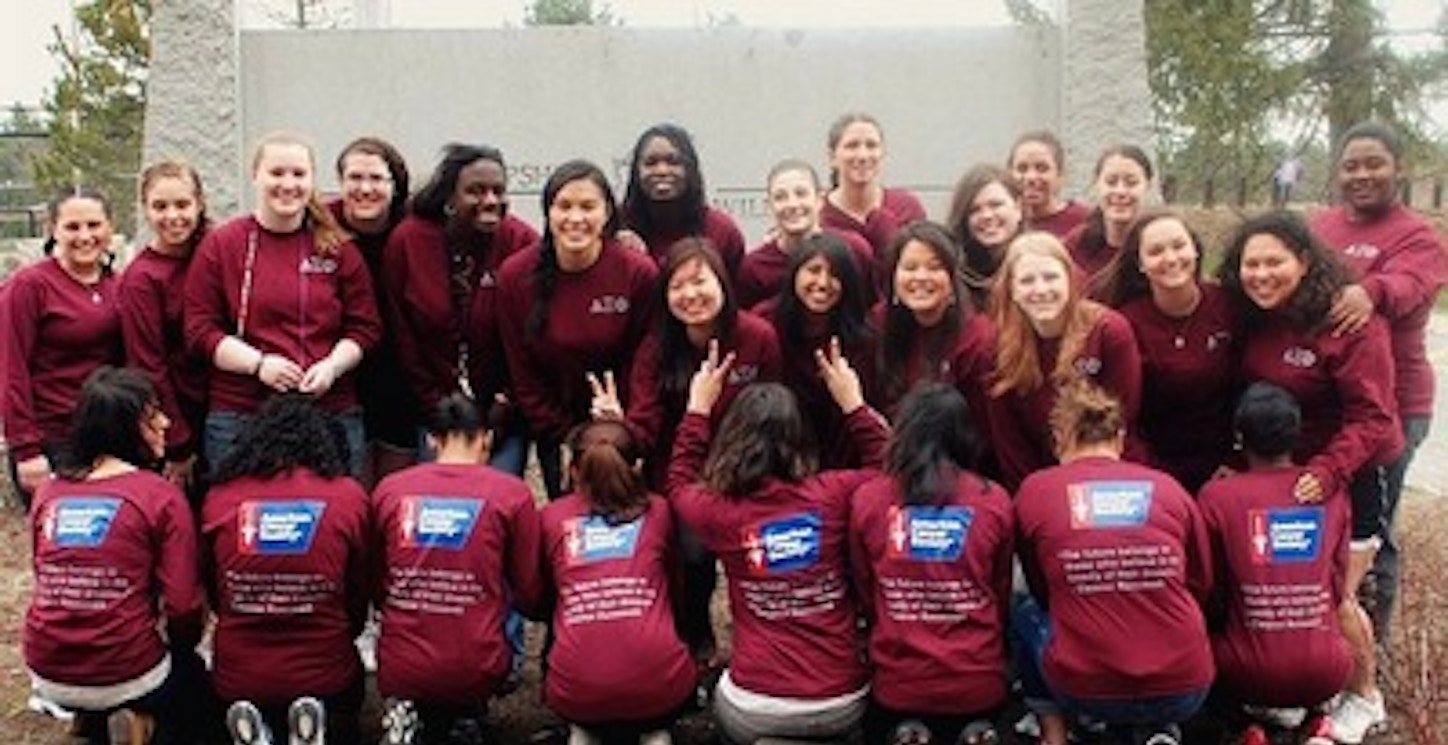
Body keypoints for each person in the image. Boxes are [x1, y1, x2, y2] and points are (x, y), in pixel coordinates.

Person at [1216, 211, 1402, 745]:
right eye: (1250, 264)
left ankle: (1365, 696)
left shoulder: (1346, 320)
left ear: (1304, 260)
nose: (1261, 274)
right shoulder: (1256, 316)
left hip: (1351, 473)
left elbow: (1374, 418)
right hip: (1284, 476)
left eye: (1274, 261)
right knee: (1290, 589)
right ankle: (1306, 699)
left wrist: (1327, 471)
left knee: (1335, 593)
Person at [664, 345, 888, 745]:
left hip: (756, 708)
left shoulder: (718, 512)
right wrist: (852, 403)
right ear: (801, 437)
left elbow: (678, 480)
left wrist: (698, 408)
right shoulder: (834, 494)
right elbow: (886, 464)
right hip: (843, 701)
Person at [594, 238, 780, 669]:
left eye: (700, 281)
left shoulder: (757, 337)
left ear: (723, 284)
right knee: (692, 556)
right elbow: (645, 426)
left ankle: (764, 645)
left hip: (746, 467)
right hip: (680, 472)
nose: (691, 294)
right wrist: (618, 424)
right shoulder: (656, 349)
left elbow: (774, 407)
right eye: (677, 286)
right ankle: (695, 638)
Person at [1013, 380, 1212, 745]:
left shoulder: (1035, 490)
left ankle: (1054, 735)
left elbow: (1040, 587)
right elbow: (1199, 582)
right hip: (1186, 687)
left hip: (1087, 689)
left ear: (1060, 437)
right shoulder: (1169, 489)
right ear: (1120, 437)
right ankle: (1158, 730)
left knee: (1025, 610)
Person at [1309, 120, 1448, 638]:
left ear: (1398, 169)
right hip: (1329, 399)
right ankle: (1323, 631)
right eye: (1351, 166)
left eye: (1374, 164)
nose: (1361, 174)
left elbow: (1413, 284)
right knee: (1331, 520)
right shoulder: (1321, 228)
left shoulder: (1417, 236)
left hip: (1394, 405)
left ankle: (1375, 645)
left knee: (1374, 529)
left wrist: (1372, 291)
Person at [24, 367, 205, 745]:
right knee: (194, 679)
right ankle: (141, 722)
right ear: (126, 428)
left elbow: (44, 573)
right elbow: (183, 603)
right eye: (153, 414)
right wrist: (180, 645)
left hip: (46, 668)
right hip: (127, 669)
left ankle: (92, 720)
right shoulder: (160, 495)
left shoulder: (49, 492)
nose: (166, 421)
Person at [184, 132, 382, 475]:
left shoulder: (338, 248)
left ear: (312, 180)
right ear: (255, 175)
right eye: (276, 173)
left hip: (330, 410)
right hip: (242, 412)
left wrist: (332, 366)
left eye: (298, 174)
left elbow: (365, 327)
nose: (288, 184)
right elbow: (200, 329)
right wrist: (257, 364)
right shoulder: (222, 245)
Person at [371, 393, 543, 745]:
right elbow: (529, 591)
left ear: (432, 440)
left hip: (401, 665)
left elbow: (377, 583)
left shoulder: (390, 491)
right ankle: (464, 717)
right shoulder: (511, 494)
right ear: (488, 438)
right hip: (479, 664)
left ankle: (410, 711)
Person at [848, 383, 1013, 745]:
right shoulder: (994, 501)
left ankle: (911, 733)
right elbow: (999, 593)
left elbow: (865, 589)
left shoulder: (868, 500)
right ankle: (975, 732)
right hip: (978, 684)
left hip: (897, 685)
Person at [201, 394, 370, 745]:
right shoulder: (348, 497)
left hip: (238, 672)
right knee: (348, 693)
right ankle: (309, 720)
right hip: (326, 669)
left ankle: (258, 725)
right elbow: (358, 591)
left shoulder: (220, 497)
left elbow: (213, 589)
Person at [1198, 382, 1348, 745]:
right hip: (1329, 669)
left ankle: (1245, 729)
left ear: (1239, 438)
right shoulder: (1329, 492)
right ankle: (1318, 724)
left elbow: (1207, 589)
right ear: (1296, 434)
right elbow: (1339, 584)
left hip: (1246, 672)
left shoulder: (1217, 496)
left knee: (1199, 642)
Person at [497, 159, 658, 499]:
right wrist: (571, 436)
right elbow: (523, 374)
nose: (575, 218)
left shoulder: (638, 273)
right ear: (548, 211)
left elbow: (648, 357)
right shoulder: (515, 277)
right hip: (558, 435)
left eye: (588, 207)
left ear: (607, 213)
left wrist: (627, 428)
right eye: (564, 206)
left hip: (625, 426)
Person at [383, 144, 540, 474]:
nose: (490, 201)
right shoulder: (408, 241)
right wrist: (436, 407)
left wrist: (506, 403)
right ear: (450, 198)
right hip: (435, 412)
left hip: (503, 416)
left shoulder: (522, 243)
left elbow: (532, 337)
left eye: (498, 191)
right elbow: (403, 336)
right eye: (476, 191)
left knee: (495, 505)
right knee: (442, 506)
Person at [540, 419, 694, 745]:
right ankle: (655, 731)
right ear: (637, 466)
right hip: (660, 688)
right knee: (655, 720)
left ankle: (585, 729)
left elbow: (535, 597)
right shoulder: (661, 511)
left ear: (572, 469)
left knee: (587, 720)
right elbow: (676, 589)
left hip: (576, 693)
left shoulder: (552, 518)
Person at [985, 231, 1143, 490]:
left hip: (1109, 473)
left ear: (1070, 280)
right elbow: (1009, 442)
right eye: (1026, 281)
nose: (1041, 289)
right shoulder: (996, 347)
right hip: (1036, 480)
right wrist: (1034, 493)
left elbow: (1123, 418)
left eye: (1050, 277)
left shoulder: (1109, 331)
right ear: (1011, 290)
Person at [1096, 209, 1239, 492]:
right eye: (1156, 251)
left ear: (1196, 250)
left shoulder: (1230, 306)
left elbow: (1251, 387)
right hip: (1152, 470)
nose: (1171, 258)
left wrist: (1237, 461)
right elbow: (1121, 415)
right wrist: (1154, 478)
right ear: (1140, 263)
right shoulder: (1124, 324)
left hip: (1227, 466)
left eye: (1178, 245)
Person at [4, 189, 123, 506]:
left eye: (94, 225)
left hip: (109, 438)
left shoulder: (119, 285)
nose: (85, 236)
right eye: (72, 227)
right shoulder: (29, 287)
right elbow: (10, 369)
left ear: (110, 227)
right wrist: (26, 449)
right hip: (53, 440)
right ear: (52, 229)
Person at [119, 162, 211, 496]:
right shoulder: (142, 279)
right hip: (180, 420)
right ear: (145, 210)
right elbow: (147, 365)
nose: (173, 216)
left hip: (228, 409)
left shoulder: (215, 253)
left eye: (182, 205)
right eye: (160, 206)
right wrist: (178, 445)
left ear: (200, 203)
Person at [330, 136, 417, 485]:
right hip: (340, 377)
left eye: (377, 179)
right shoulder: (318, 225)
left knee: (395, 489)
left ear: (395, 185)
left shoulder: (414, 230)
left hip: (402, 377)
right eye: (355, 178)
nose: (365, 189)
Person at [875, 221, 996, 465]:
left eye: (934, 267)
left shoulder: (978, 340)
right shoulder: (880, 325)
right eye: (910, 267)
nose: (920, 277)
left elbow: (986, 435)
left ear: (953, 278)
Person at [760, 233, 880, 469]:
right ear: (795, 273)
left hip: (844, 465)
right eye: (813, 270)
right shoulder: (766, 325)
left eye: (835, 274)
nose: (823, 283)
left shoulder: (865, 339)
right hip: (777, 457)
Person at [736, 159, 877, 309]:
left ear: (819, 200)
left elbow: (871, 312)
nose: (792, 204)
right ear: (769, 206)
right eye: (780, 197)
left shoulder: (854, 249)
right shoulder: (754, 267)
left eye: (801, 194)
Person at [621, 123, 745, 280]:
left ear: (690, 169)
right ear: (636, 171)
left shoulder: (722, 231)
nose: (662, 171)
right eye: (650, 163)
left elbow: (737, 297)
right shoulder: (616, 226)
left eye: (673, 162)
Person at [819, 112, 927, 264]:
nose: (863, 155)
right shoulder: (818, 215)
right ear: (832, 157)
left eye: (871, 145)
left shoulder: (908, 208)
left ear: (882, 153)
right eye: (852, 146)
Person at [1063, 145, 1156, 284]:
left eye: (1131, 183)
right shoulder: (1076, 244)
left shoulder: (1158, 243)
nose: (1120, 191)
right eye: (1111, 182)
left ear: (1148, 186)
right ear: (1096, 185)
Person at [945, 164, 1025, 309]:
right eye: (974, 210)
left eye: (995, 205)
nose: (986, 216)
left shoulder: (1042, 261)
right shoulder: (953, 273)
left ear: (1018, 207)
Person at [1007, 129, 1091, 238]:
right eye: (1022, 168)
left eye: (1041, 168)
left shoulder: (1085, 222)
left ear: (1061, 175)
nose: (1031, 177)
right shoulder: (1002, 224)